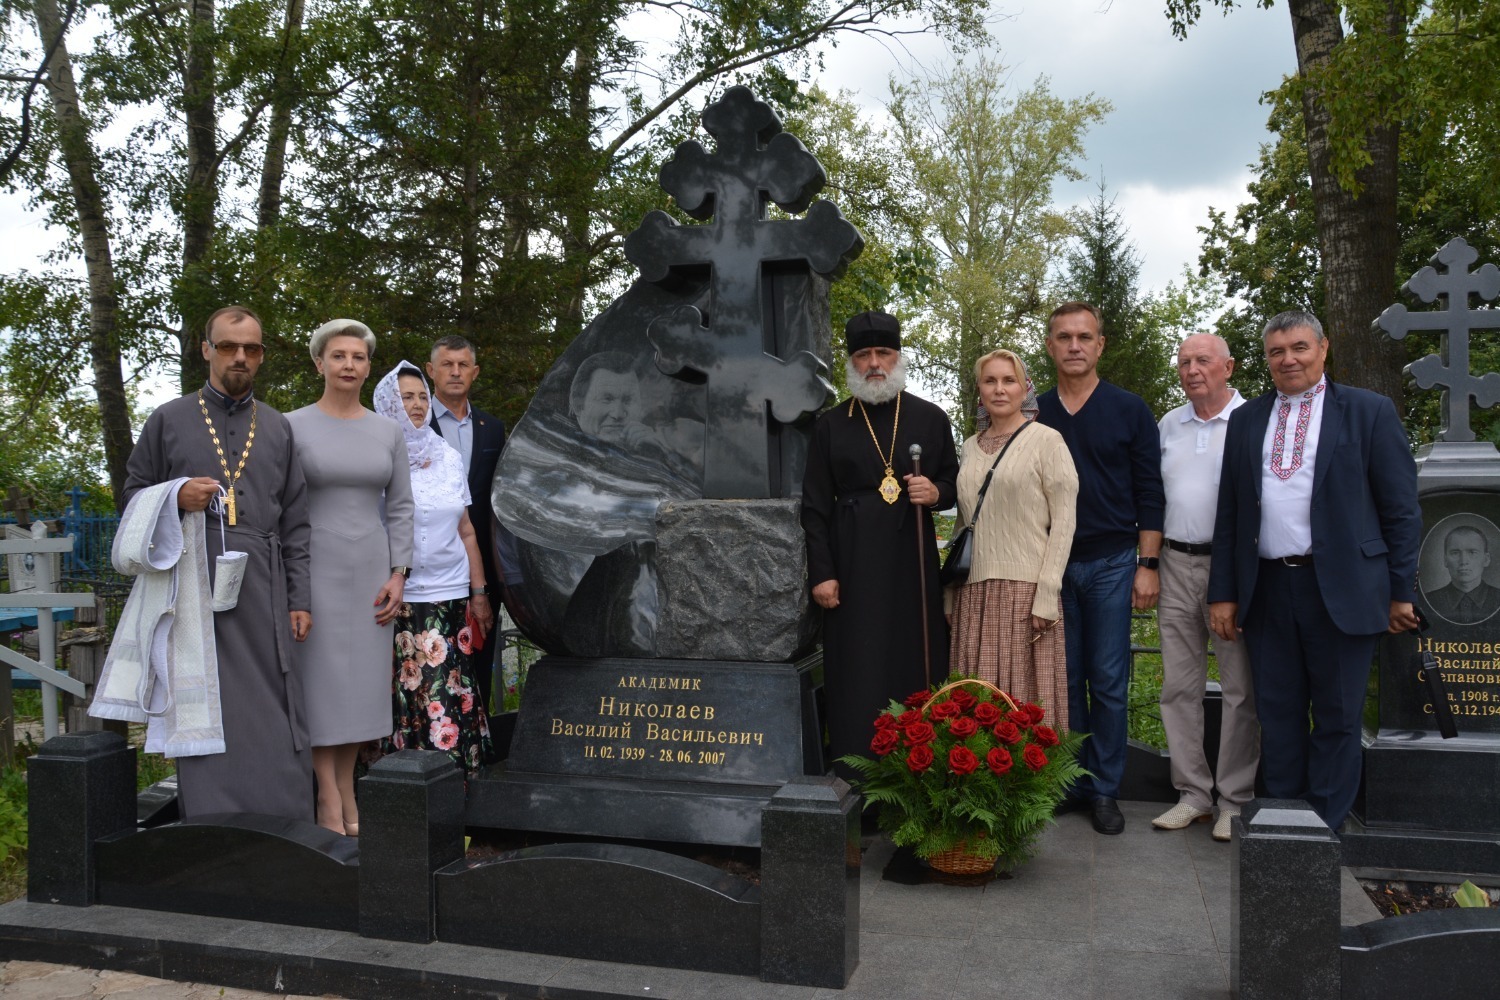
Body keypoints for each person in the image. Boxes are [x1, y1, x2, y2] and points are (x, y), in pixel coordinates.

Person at [1209, 310, 1421, 830]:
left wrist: (1400, 592)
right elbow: (1231, 512)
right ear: (1266, 359)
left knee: (1338, 717)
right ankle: (1282, 826)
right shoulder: (1247, 420)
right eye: (1277, 351)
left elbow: (1400, 509)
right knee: (1277, 715)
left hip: (1345, 588)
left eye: (1299, 348)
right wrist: (1223, 593)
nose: (1289, 359)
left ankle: (1324, 829)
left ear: (1323, 350)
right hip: (1268, 588)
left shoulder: (1368, 412)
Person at [121, 304, 315, 820]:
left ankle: (283, 815)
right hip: (190, 579)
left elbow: (296, 520)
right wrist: (176, 495)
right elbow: (132, 495)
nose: (239, 357)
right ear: (206, 350)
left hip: (264, 583)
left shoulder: (277, 427)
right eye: (228, 346)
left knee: (273, 695)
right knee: (203, 698)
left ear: (262, 357)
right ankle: (210, 820)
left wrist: (299, 597)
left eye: (250, 348)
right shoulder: (169, 418)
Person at [802, 310, 959, 775]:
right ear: (851, 362)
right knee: (857, 668)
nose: (874, 363)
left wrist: (934, 492)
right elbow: (813, 506)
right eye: (864, 354)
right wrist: (823, 573)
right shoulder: (831, 425)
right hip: (850, 564)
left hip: (910, 563)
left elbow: (953, 483)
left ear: (898, 357)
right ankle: (857, 783)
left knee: (914, 662)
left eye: (883, 353)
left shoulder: (930, 418)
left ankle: (916, 781)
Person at [1036, 301, 1164, 836]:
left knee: (1109, 679)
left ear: (1100, 345)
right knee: (1063, 681)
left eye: (1084, 336)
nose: (1074, 346)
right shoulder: (1033, 411)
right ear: (1050, 346)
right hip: (1052, 565)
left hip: (1113, 561)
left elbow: (1150, 491)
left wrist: (1148, 564)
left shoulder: (1130, 409)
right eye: (1064, 337)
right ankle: (1073, 782)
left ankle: (1106, 789)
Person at [287, 319, 415, 835]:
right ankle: (328, 798)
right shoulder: (290, 425)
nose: (348, 365)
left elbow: (402, 506)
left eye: (358, 358)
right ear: (319, 363)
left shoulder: (388, 431)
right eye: (338, 356)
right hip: (315, 567)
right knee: (321, 684)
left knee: (359, 688)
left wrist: (399, 572)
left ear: (368, 368)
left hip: (372, 574)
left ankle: (346, 789)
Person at [1153, 334, 1259, 842]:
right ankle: (1192, 794)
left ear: (1228, 367)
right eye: (1184, 362)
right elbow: (1153, 495)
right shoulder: (1169, 424)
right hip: (1175, 561)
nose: (1192, 369)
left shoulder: (1253, 421)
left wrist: (1234, 581)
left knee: (1240, 687)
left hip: (1230, 568)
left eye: (1203, 361)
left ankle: (1235, 800)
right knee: (1178, 685)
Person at [374, 362, 496, 775]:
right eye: (406, 397)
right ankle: (408, 795)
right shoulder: (376, 455)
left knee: (452, 692)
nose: (417, 404)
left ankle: (461, 789)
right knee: (413, 696)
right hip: (400, 601)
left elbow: (466, 531)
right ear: (388, 402)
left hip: (451, 599)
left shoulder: (445, 455)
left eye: (423, 396)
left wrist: (479, 594)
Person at [947, 349, 1077, 728]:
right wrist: (950, 593)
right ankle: (978, 786)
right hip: (973, 593)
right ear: (980, 390)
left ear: (1025, 389)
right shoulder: (970, 446)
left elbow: (1065, 522)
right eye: (990, 381)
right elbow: (964, 523)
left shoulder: (1047, 441)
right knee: (976, 703)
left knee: (1022, 702)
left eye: (1009, 381)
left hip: (1026, 592)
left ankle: (1029, 786)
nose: (999, 389)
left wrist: (1047, 593)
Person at [426, 335, 507, 708]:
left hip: (483, 569)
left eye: (463, 365)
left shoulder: (493, 429)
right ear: (431, 371)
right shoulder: (413, 426)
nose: (455, 372)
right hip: (428, 567)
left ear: (474, 373)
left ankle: (480, 750)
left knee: (479, 658)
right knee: (433, 671)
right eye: (447, 364)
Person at [1424, 525, 1500, 625]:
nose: (1463, 561)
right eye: (1455, 553)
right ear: (1445, 560)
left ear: (1486, 559)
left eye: (1472, 552)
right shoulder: (1428, 601)